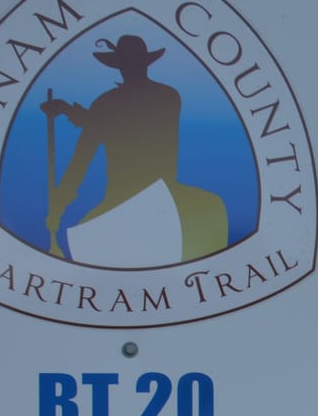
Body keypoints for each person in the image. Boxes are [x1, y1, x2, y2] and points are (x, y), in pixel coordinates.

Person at [41, 34, 227, 263]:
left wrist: (58, 207)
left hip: (137, 195)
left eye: (129, 64)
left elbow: (87, 156)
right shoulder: (167, 96)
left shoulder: (114, 103)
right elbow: (105, 131)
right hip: (150, 193)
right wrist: (74, 114)